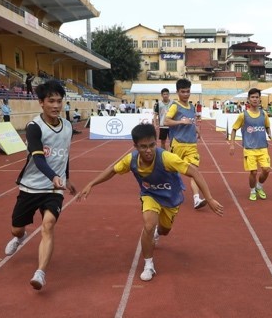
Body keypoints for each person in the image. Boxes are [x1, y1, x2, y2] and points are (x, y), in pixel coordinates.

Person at [80, 122, 223, 282]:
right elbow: (113, 170)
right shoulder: (131, 160)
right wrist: (91, 184)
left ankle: (158, 233)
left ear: (156, 143)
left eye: (151, 145)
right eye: (143, 147)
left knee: (164, 230)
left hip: (171, 198)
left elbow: (194, 172)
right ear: (135, 146)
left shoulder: (167, 158)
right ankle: (148, 264)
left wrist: (209, 198)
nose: (148, 150)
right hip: (150, 195)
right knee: (148, 225)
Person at [3, 80, 77, 291]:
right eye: (51, 101)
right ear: (41, 103)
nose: (56, 105)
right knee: (16, 229)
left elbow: (64, 155)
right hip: (31, 186)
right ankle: (21, 237)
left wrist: (66, 178)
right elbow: (38, 159)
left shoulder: (68, 126)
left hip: (53, 190)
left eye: (59, 101)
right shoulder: (34, 127)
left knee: (49, 224)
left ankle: (40, 273)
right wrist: (54, 176)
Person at [164, 77, 208, 209]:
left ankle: (196, 199)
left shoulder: (192, 107)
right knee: (173, 172)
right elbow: (166, 122)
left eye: (188, 91)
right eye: (183, 92)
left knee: (194, 171)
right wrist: (180, 122)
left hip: (191, 145)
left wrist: (197, 129)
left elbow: (192, 121)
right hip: (178, 144)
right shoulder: (174, 106)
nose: (186, 94)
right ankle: (167, 193)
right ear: (178, 92)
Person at [229, 87, 272, 200]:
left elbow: (267, 126)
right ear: (248, 99)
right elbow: (234, 129)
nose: (254, 99)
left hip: (263, 148)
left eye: (257, 97)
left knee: (266, 170)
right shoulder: (243, 115)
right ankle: (252, 190)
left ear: (259, 99)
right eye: (252, 97)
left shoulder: (264, 114)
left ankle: (259, 186)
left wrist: (270, 134)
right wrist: (232, 144)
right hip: (249, 149)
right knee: (253, 172)